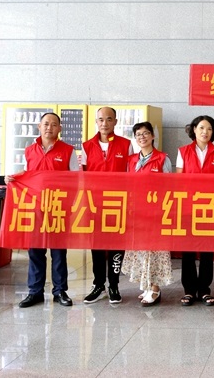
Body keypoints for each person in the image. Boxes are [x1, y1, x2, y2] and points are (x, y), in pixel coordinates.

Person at [8, 112, 79, 308]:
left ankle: (60, 291)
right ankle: (35, 292)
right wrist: (12, 178)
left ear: (60, 129)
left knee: (58, 252)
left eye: (54, 124)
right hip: (35, 207)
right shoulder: (29, 150)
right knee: (35, 251)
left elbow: (76, 179)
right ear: (39, 127)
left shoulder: (68, 151)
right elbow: (27, 174)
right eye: (46, 124)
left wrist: (71, 206)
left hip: (58, 208)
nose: (49, 127)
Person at [80, 107, 133, 304]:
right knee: (97, 246)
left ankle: (114, 285)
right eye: (101, 119)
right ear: (96, 121)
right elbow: (82, 176)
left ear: (115, 122)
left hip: (118, 203)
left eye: (109, 119)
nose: (104, 123)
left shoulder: (126, 145)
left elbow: (131, 174)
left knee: (117, 245)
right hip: (95, 204)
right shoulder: (87, 146)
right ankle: (98, 284)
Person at [121, 122, 173, 306]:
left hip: (156, 211)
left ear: (152, 136)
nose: (142, 137)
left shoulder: (162, 159)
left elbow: (169, 186)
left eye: (145, 133)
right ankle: (146, 285)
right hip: (137, 211)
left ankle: (155, 288)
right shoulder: (131, 160)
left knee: (155, 250)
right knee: (141, 249)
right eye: (138, 135)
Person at [176, 115, 214, 307]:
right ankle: (188, 290)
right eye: (201, 128)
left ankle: (204, 289)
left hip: (210, 207)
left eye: (209, 129)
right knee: (187, 250)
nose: (205, 132)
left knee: (206, 250)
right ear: (194, 129)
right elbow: (178, 181)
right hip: (188, 206)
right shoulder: (183, 151)